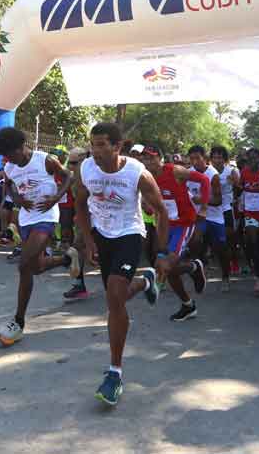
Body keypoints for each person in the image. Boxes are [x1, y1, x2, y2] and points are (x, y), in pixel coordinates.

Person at [73, 122, 169, 406]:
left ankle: (114, 373)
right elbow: (80, 203)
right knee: (116, 300)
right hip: (102, 235)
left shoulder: (137, 174)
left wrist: (161, 253)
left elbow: (161, 212)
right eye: (93, 144)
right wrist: (89, 241)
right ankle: (146, 282)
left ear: (118, 146)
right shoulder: (86, 169)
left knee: (115, 296)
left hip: (129, 233)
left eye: (102, 144)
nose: (96, 150)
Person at [0, 127, 77, 346]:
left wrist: (56, 197)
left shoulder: (44, 160)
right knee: (36, 266)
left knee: (24, 265)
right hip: (26, 219)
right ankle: (67, 258)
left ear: (22, 147)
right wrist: (18, 200)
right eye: (6, 156)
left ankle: (18, 321)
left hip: (46, 216)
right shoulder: (10, 167)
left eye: (11, 154)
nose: (9, 159)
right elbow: (9, 186)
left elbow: (69, 176)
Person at [141, 144, 209, 321]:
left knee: (166, 264)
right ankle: (188, 304)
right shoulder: (145, 178)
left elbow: (204, 180)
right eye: (145, 158)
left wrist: (203, 206)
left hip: (183, 224)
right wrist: (147, 206)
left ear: (160, 158)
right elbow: (149, 205)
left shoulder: (175, 171)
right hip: (164, 225)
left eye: (152, 157)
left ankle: (193, 268)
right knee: (166, 267)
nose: (148, 161)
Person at [188, 145, 233, 292]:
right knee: (194, 243)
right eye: (192, 158)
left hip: (214, 216)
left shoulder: (212, 175)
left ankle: (225, 276)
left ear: (205, 159)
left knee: (220, 248)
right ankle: (199, 270)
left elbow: (218, 200)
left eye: (197, 158)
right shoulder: (188, 173)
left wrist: (202, 199)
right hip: (199, 216)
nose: (194, 161)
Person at [63, 147, 92, 300]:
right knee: (77, 250)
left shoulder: (92, 174)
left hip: (101, 219)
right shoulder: (74, 178)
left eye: (74, 163)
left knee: (75, 250)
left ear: (83, 160)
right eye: (69, 162)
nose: (70, 166)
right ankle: (79, 286)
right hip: (84, 219)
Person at [209, 145, 240, 284]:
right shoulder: (208, 171)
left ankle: (233, 260)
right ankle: (222, 264)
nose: (217, 160)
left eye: (220, 157)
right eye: (215, 157)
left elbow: (239, 190)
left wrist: (234, 183)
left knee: (229, 239)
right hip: (212, 210)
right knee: (218, 243)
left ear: (225, 159)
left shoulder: (232, 171)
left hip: (227, 208)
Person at [240, 148, 259, 294]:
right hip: (250, 212)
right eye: (250, 158)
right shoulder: (244, 172)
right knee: (253, 241)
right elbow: (241, 188)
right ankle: (258, 277)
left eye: (255, 158)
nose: (253, 161)